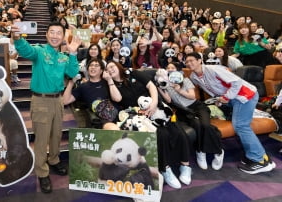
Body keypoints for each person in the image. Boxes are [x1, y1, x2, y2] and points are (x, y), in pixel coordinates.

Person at [11, 22, 81, 194]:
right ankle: (42, 172)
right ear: (46, 35)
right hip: (41, 101)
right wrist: (17, 37)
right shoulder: (40, 51)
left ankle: (54, 160)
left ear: (63, 36)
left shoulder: (64, 57)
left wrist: (72, 53)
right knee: (42, 139)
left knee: (57, 134)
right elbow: (26, 50)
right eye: (52, 32)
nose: (55, 36)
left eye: (59, 33)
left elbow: (73, 73)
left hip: (58, 101)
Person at [185, 52, 276, 174]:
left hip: (245, 95)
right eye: (187, 61)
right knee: (241, 125)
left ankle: (259, 160)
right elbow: (211, 89)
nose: (189, 63)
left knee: (241, 126)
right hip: (232, 99)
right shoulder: (194, 77)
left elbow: (236, 82)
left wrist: (226, 97)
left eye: (192, 60)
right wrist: (219, 99)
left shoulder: (213, 69)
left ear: (200, 60)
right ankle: (263, 157)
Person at [105, 61, 192, 189]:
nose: (111, 69)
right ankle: (165, 169)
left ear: (118, 66)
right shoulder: (112, 85)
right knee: (161, 135)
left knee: (177, 130)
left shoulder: (134, 73)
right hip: (138, 115)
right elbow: (117, 99)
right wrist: (109, 80)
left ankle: (185, 166)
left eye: (112, 66)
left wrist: (155, 103)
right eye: (107, 69)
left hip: (155, 107)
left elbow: (151, 86)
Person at [157, 62, 224, 171]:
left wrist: (179, 89)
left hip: (197, 106)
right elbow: (169, 100)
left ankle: (218, 151)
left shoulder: (185, 80)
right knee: (197, 125)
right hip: (183, 111)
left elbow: (192, 96)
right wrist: (160, 86)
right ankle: (200, 151)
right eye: (168, 68)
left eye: (172, 67)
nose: (170, 69)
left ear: (178, 70)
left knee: (206, 126)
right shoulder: (166, 83)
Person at [63, 58, 115, 128]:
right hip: (100, 121)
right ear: (87, 70)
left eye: (96, 65)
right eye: (91, 65)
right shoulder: (83, 87)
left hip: (116, 114)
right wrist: (71, 82)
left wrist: (110, 80)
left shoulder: (107, 82)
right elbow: (65, 101)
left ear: (101, 70)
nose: (93, 67)